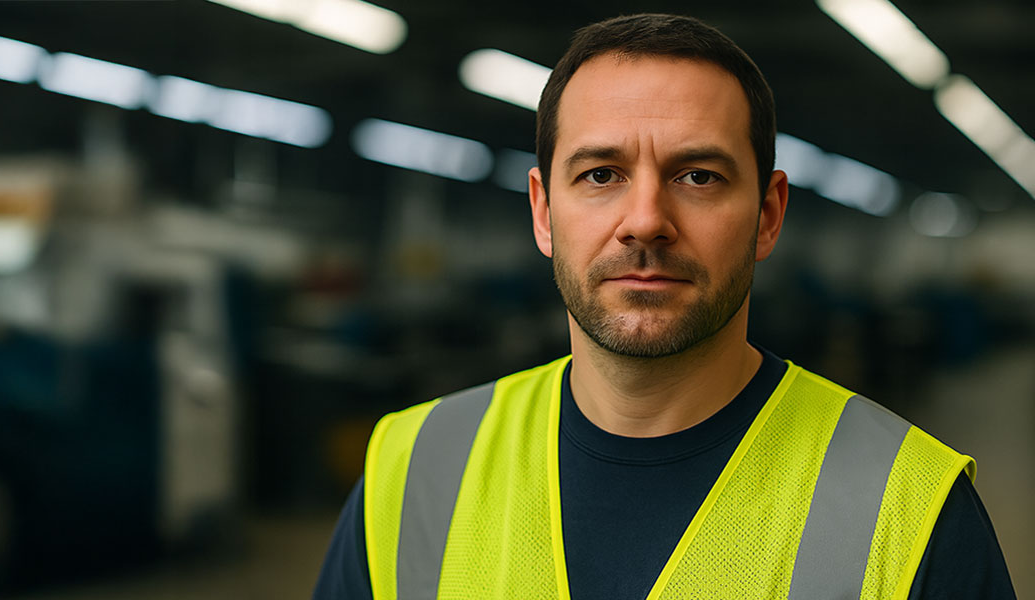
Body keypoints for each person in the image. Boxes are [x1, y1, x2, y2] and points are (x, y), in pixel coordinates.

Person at [314, 13, 1015, 599]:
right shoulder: (411, 473)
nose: (645, 219)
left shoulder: (914, 510)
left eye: (699, 176)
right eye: (600, 175)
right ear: (543, 212)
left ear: (768, 216)